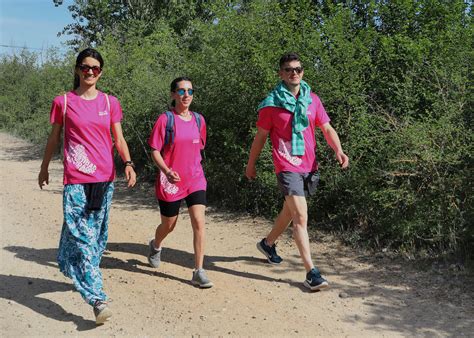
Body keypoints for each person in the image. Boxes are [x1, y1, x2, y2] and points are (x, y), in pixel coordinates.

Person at [38, 48, 136, 324]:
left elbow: (118, 138)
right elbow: (54, 138)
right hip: (76, 180)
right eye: (85, 67)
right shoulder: (64, 102)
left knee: (97, 238)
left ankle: (67, 260)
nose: (90, 71)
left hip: (104, 180)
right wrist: (44, 167)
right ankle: (97, 298)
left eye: (95, 67)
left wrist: (128, 163)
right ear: (77, 70)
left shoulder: (109, 102)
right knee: (84, 238)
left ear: (101, 72)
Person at [245, 52, 349, 291]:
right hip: (286, 165)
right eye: (289, 69)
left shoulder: (312, 99)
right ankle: (311, 273)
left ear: (303, 72)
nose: (295, 73)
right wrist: (251, 165)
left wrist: (339, 150)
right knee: (301, 216)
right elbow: (260, 138)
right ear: (281, 73)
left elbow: (326, 128)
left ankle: (268, 243)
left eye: (298, 69)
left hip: (309, 165)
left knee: (290, 212)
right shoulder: (271, 104)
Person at [147, 77, 213, 288]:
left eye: (190, 91)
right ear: (173, 95)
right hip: (170, 181)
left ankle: (198, 271)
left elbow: (198, 149)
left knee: (199, 222)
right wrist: (166, 171)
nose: (187, 95)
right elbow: (155, 150)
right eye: (182, 91)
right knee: (169, 225)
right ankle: (156, 245)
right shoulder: (166, 120)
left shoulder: (199, 120)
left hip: (195, 178)